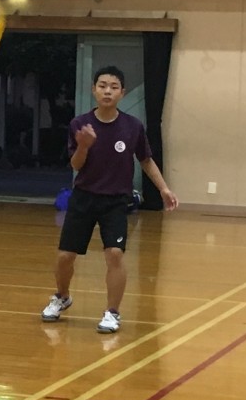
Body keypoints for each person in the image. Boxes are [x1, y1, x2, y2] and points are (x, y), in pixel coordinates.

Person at [41, 66, 179, 334]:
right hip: (83, 198)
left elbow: (146, 160)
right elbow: (76, 165)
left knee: (115, 254)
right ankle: (62, 296)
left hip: (115, 200)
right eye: (102, 86)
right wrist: (84, 145)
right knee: (65, 257)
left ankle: (112, 312)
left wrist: (163, 188)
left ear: (122, 93)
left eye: (114, 87)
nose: (107, 91)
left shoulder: (132, 126)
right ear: (93, 90)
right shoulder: (80, 124)